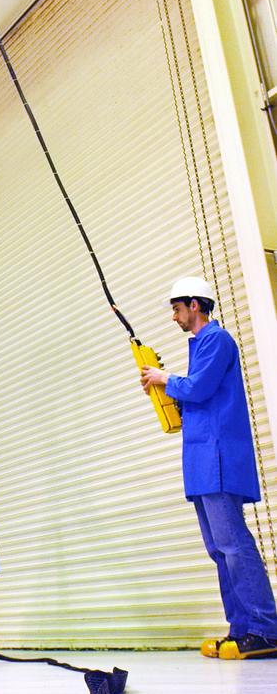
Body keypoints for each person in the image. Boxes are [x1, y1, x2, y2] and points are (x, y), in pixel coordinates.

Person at [141, 275, 277, 660]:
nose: (174, 317)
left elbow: (198, 388)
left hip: (218, 459)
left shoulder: (217, 340)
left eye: (177, 309)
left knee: (234, 545)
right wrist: (165, 392)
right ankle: (242, 629)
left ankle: (266, 629)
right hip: (202, 462)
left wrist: (165, 378)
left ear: (195, 305)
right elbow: (195, 398)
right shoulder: (200, 346)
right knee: (219, 549)